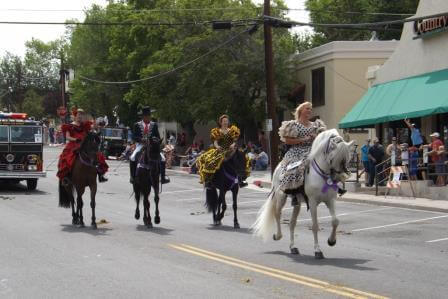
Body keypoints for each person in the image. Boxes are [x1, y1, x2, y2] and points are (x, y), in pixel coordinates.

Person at [278, 102, 346, 203]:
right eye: (307, 109)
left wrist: (316, 137)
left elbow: (323, 138)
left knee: (329, 163)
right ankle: (294, 193)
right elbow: (287, 140)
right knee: (295, 168)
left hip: (313, 149)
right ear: (301, 110)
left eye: (310, 109)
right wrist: (303, 139)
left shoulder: (316, 125)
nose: (310, 111)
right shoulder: (293, 125)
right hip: (297, 151)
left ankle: (335, 186)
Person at [57, 108, 109, 185]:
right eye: (78, 115)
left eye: (81, 115)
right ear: (75, 116)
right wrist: (75, 139)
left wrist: (98, 124)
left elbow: (94, 127)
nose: (80, 116)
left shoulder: (85, 125)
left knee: (97, 154)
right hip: (74, 143)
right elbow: (68, 137)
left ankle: (100, 174)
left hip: (85, 143)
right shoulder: (69, 126)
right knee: (67, 157)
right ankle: (66, 177)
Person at [196, 114, 250, 188]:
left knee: (244, 158)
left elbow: (234, 141)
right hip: (220, 150)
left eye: (226, 121)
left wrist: (233, 145)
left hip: (231, 150)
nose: (225, 122)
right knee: (210, 162)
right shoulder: (217, 131)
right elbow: (215, 142)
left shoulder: (232, 130)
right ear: (220, 122)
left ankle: (241, 180)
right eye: (224, 121)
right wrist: (217, 146)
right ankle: (209, 180)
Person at [129, 106, 170, 184]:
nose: (149, 117)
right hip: (140, 145)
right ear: (143, 116)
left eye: (149, 115)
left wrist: (155, 140)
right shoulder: (137, 125)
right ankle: (133, 177)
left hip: (152, 145)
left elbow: (157, 136)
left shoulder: (154, 125)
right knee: (133, 157)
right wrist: (141, 140)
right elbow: (134, 136)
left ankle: (163, 177)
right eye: (147, 116)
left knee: (163, 158)